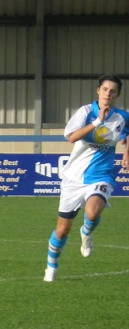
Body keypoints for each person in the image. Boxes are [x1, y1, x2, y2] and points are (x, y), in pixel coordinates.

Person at [44, 75, 129, 282]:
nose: (108, 94)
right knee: (62, 230)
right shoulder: (85, 112)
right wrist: (98, 121)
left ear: (118, 94)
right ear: (98, 90)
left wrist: (127, 152)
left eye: (113, 91)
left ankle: (87, 231)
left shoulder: (122, 116)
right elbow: (71, 137)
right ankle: (51, 268)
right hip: (73, 178)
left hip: (101, 174)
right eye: (105, 89)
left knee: (92, 212)